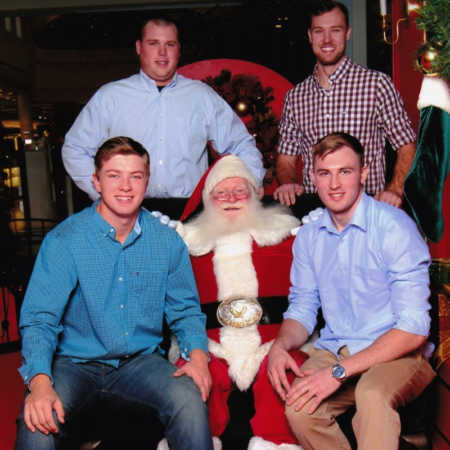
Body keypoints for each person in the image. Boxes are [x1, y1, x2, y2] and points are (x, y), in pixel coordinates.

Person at [15, 136, 213, 450]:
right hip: (74, 362)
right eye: (113, 175)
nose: (125, 186)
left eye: (135, 176)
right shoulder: (65, 240)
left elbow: (186, 311)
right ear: (96, 181)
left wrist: (199, 358)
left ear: (147, 182)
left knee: (189, 398)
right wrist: (39, 383)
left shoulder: (167, 242)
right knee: (38, 423)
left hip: (140, 361)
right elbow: (40, 319)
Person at [267, 132, 435, 450]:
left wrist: (338, 372)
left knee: (371, 396)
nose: (334, 184)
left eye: (345, 171)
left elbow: (413, 329)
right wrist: (280, 345)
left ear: (363, 174)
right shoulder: (309, 236)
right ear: (312, 178)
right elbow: (302, 308)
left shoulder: (395, 228)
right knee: (299, 408)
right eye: (324, 173)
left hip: (397, 352)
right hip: (338, 346)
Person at [62, 18, 264, 217]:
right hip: (128, 213)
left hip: (189, 214)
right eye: (153, 43)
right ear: (139, 48)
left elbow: (242, 145)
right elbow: (75, 149)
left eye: (170, 44)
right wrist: (102, 191)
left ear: (179, 49)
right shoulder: (110, 97)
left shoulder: (202, 96)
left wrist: (250, 182)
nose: (162, 52)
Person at [174, 155, 310, 450]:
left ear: (255, 194)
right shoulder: (186, 244)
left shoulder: (288, 236)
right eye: (221, 193)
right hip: (210, 345)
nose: (231, 199)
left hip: (272, 342)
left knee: (287, 376)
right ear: (208, 200)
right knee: (188, 384)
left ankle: (278, 445)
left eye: (239, 191)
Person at [274, 0, 416, 214]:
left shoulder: (377, 85)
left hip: (367, 208)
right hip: (315, 212)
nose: (327, 40)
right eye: (319, 31)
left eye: (336, 30)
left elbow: (407, 147)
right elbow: (286, 159)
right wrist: (288, 183)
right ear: (310, 36)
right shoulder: (296, 97)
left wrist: (394, 190)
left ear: (348, 33)